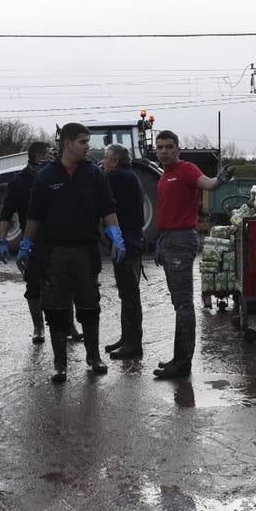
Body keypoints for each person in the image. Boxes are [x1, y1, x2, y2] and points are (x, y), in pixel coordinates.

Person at [18, 123, 127, 384]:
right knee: (56, 309)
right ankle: (60, 364)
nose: (88, 146)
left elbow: (107, 208)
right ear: (67, 144)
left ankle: (94, 357)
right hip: (53, 252)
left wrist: (116, 235)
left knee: (90, 307)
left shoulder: (94, 174)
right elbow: (34, 215)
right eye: (83, 142)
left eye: (88, 141)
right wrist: (25, 244)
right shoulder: (45, 176)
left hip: (85, 251)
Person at [151, 131, 233, 381]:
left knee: (184, 304)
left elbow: (207, 183)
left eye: (169, 147)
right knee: (179, 304)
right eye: (160, 147)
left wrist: (219, 180)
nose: (164, 151)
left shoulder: (186, 169)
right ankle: (178, 358)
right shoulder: (164, 174)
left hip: (181, 239)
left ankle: (183, 363)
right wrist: (160, 240)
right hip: (169, 239)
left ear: (178, 149)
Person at [0, 141, 75, 345]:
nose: (54, 156)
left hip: (58, 239)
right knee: (33, 286)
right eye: (50, 153)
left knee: (65, 284)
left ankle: (70, 327)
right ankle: (38, 327)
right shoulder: (19, 182)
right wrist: (2, 240)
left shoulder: (57, 176)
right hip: (32, 242)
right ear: (40, 157)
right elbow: (6, 213)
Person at [101, 143, 146, 360]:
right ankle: (126, 337)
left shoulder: (116, 177)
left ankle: (133, 344)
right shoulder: (129, 175)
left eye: (106, 158)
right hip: (131, 238)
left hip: (126, 239)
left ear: (116, 161)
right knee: (126, 292)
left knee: (129, 294)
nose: (103, 162)